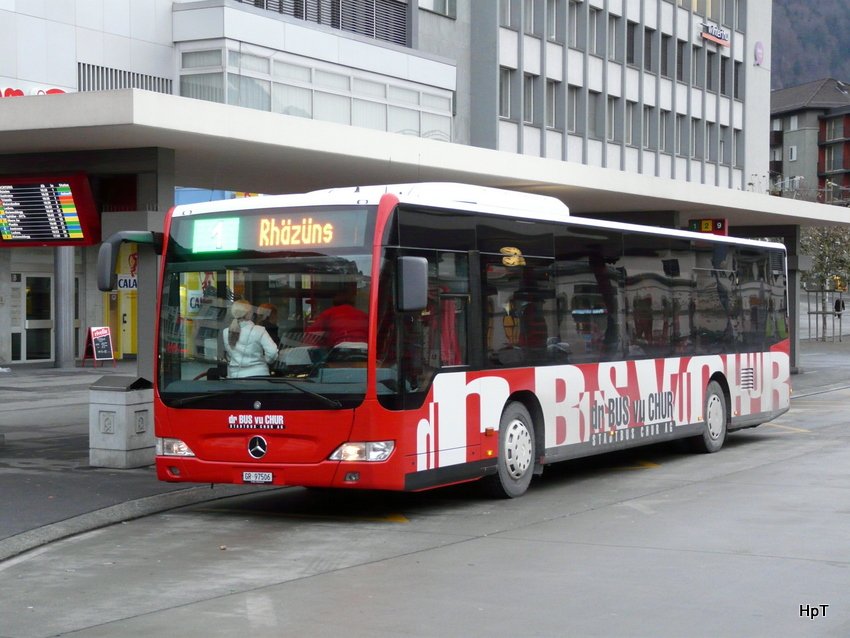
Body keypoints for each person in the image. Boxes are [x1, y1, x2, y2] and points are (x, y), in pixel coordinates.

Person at [222, 299, 278, 377]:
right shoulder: (259, 330)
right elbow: (273, 352)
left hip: (235, 376)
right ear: (249, 314)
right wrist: (264, 361)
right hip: (259, 375)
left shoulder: (226, 332)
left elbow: (230, 355)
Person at [306, 283, 368, 348]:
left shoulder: (329, 313)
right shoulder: (363, 315)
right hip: (365, 349)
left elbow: (309, 337)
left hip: (341, 348)